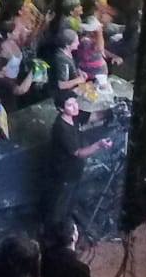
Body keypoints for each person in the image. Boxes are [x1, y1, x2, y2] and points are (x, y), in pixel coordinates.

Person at [47, 93, 112, 229]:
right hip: (64, 174)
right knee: (59, 207)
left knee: (69, 202)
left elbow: (93, 117)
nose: (75, 107)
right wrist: (98, 145)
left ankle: (66, 225)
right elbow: (79, 153)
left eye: (75, 103)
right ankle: (55, 232)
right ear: (61, 109)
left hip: (75, 171)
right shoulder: (61, 128)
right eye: (70, 105)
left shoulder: (74, 116)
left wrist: (111, 111)